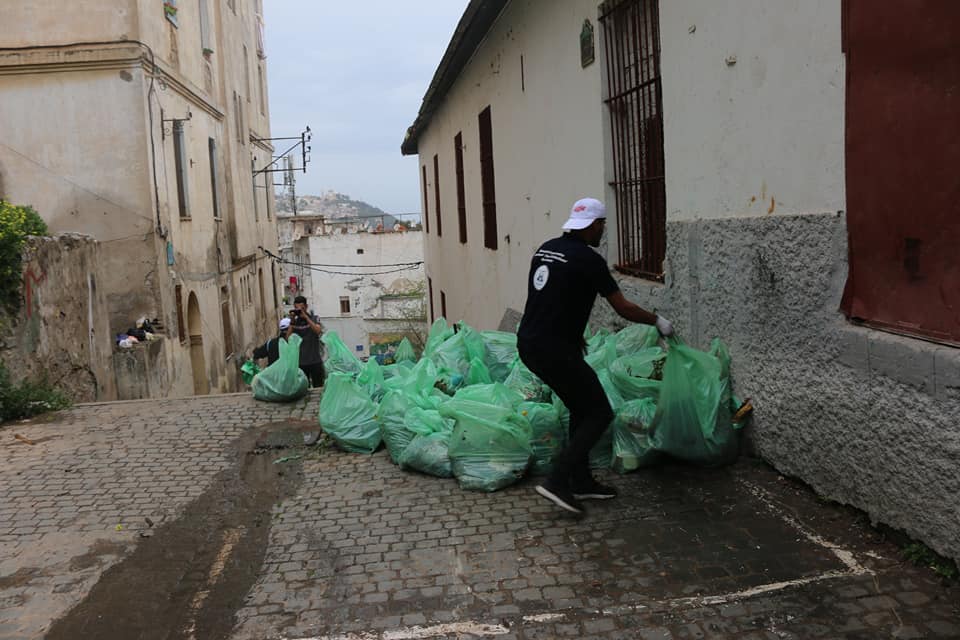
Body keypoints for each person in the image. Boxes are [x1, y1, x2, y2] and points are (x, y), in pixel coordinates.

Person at [517, 197, 674, 515]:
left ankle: (581, 481)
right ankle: (558, 480)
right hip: (554, 349)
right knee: (599, 412)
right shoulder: (588, 260)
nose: (603, 231)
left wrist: (575, 339)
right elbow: (622, 306)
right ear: (593, 225)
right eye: (602, 225)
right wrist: (657, 321)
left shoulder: (545, 249)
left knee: (580, 406)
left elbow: (552, 298)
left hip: (531, 342)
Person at [290, 295, 326, 387]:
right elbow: (288, 338)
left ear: (306, 306)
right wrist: (292, 320)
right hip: (301, 362)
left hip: (315, 361)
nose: (299, 310)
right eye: (296, 308)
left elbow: (318, 331)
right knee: (303, 389)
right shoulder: (294, 323)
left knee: (318, 388)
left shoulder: (314, 318)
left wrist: (306, 317)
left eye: (301, 308)